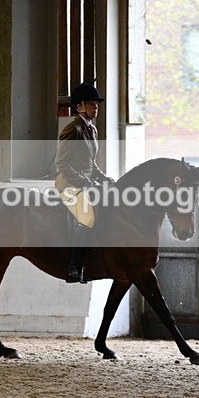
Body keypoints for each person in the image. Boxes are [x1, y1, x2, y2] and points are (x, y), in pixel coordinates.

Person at [55, 82, 113, 283]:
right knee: (87, 218)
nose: (95, 108)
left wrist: (103, 177)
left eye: (96, 105)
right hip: (69, 185)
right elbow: (61, 163)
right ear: (79, 106)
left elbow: (90, 162)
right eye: (91, 105)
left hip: (86, 182)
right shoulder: (73, 130)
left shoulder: (92, 129)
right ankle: (74, 267)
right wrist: (85, 182)